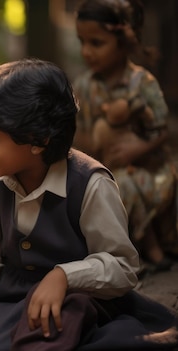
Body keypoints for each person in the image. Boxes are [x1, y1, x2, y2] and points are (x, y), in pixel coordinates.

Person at [0, 58, 178, 350]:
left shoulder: (91, 184)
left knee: (71, 333)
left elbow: (123, 265)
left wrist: (64, 276)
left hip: (82, 296)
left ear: (37, 141)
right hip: (11, 297)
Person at [72, 0, 177, 274]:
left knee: (128, 184)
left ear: (122, 41)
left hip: (149, 168)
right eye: (82, 42)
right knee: (117, 185)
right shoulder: (83, 86)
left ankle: (141, 249)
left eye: (96, 43)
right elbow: (76, 132)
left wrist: (137, 149)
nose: (86, 52)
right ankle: (135, 250)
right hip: (104, 169)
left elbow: (162, 129)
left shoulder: (142, 83)